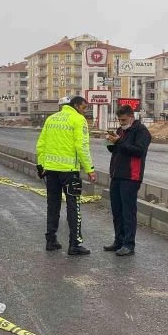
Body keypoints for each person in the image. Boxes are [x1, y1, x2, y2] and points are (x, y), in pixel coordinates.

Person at [36, 96, 97, 255]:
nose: (85, 111)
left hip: (51, 170)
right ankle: (75, 244)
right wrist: (89, 168)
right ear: (76, 106)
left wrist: (40, 165)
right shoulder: (78, 120)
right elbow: (81, 146)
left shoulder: (51, 119)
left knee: (53, 205)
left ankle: (51, 240)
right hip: (69, 171)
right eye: (84, 108)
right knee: (73, 206)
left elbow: (41, 144)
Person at [104, 105, 152, 256]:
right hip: (117, 175)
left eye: (123, 120)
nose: (121, 123)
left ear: (132, 116)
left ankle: (129, 244)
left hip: (131, 176)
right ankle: (118, 240)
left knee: (128, 211)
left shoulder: (141, 131)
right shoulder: (121, 130)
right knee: (117, 210)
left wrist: (119, 142)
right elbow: (117, 150)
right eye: (119, 120)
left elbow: (139, 151)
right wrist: (111, 143)